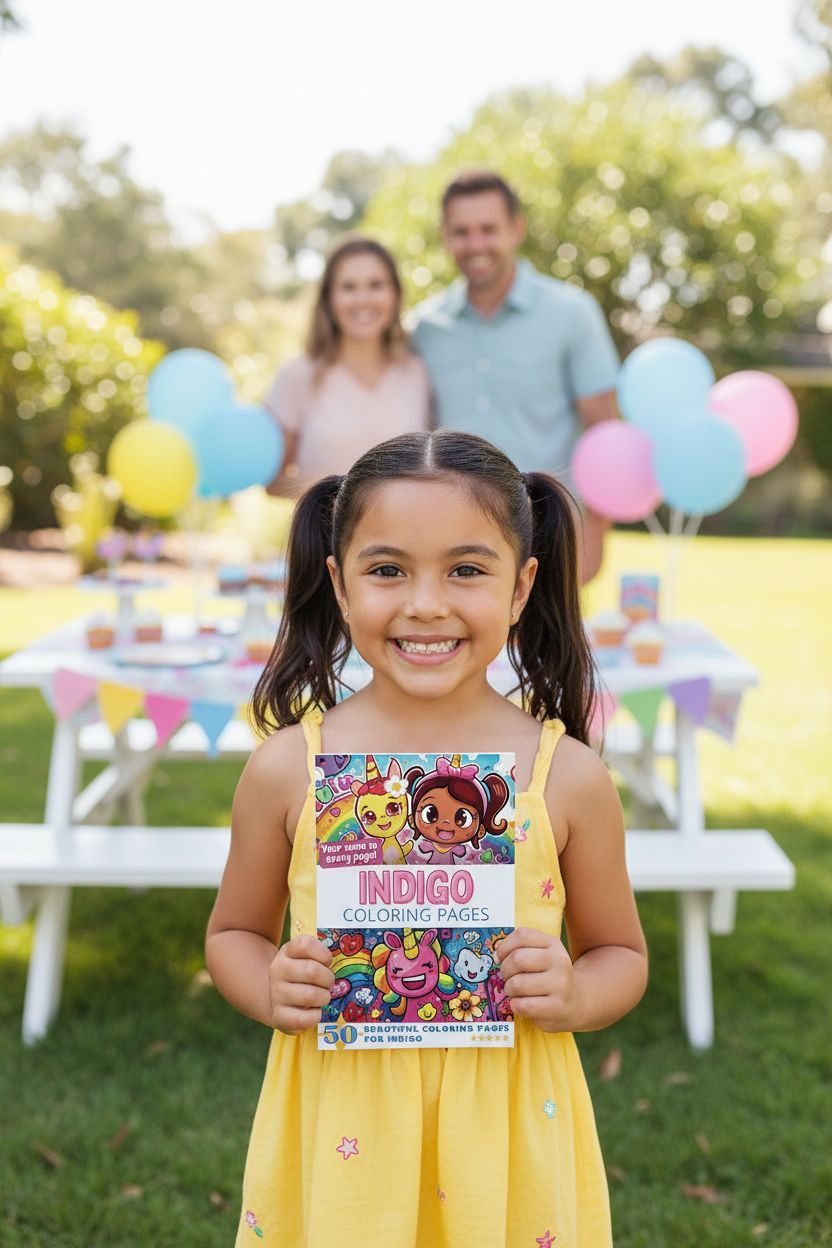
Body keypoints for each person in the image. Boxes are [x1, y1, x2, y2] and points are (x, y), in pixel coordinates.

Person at [205, 429, 647, 1248]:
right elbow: (232, 932)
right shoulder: (288, 769)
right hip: (344, 1128)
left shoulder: (566, 777)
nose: (426, 604)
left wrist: (578, 994)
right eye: (388, 570)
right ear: (340, 585)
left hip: (504, 1133)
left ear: (521, 587)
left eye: (466, 570)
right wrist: (269, 984)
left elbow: (620, 952)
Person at [411, 170, 620, 583]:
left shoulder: (572, 314)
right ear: (446, 237)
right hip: (453, 544)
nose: (476, 244)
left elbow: (605, 434)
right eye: (462, 232)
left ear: (516, 230)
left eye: (488, 229)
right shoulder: (424, 328)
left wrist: (595, 536)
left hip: (552, 537)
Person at [264, 235, 430, 494]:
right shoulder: (297, 375)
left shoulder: (416, 371)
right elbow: (272, 481)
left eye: (376, 285)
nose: (363, 299)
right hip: (324, 523)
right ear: (329, 299)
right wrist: (343, 496)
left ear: (395, 294)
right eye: (348, 287)